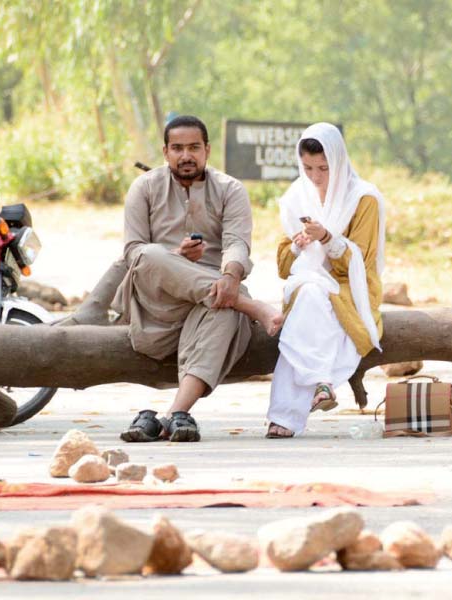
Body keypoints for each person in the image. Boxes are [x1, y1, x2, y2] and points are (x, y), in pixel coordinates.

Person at [113, 115, 282, 443]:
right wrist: (176, 257)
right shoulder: (144, 188)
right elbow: (132, 253)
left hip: (211, 309)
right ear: (165, 152)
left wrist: (231, 274)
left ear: (207, 150)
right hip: (157, 309)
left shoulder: (230, 190)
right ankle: (248, 305)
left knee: (224, 305)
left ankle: (174, 415)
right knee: (150, 255)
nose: (185, 155)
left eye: (193, 148)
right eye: (177, 148)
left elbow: (237, 243)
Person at [266, 122, 386, 438]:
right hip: (308, 281)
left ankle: (285, 416)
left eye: (323, 168)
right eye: (307, 168)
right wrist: (297, 244)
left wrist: (330, 240)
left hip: (351, 289)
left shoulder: (363, 198)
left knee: (308, 303)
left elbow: (362, 261)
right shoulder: (297, 196)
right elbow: (282, 266)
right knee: (309, 292)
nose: (316, 177)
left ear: (339, 162)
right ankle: (322, 383)